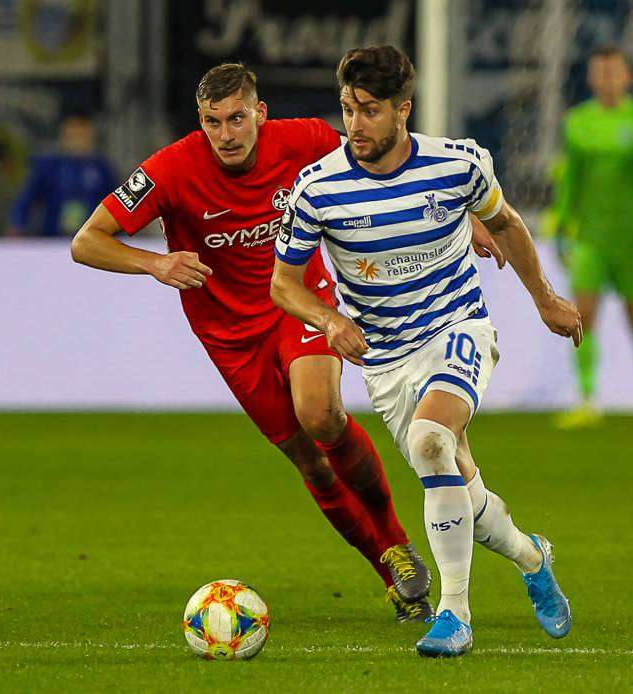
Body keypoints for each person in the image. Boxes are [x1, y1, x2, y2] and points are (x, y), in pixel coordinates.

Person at [70, 63, 505, 621]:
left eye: (236, 119)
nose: (225, 134)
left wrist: (463, 217)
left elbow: (388, 167)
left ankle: (396, 543)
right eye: (212, 122)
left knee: (321, 416)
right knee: (309, 460)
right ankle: (390, 567)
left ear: (260, 114)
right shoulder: (172, 168)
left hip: (298, 300)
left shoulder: (305, 140)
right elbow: (88, 242)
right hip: (229, 335)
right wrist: (154, 262)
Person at [272, 45, 582, 658]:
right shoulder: (317, 188)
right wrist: (329, 318)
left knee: (429, 440)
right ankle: (531, 556)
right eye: (347, 110)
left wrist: (545, 299)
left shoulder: (459, 165)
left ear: (402, 110)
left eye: (368, 110)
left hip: (457, 327)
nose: (355, 124)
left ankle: (454, 614)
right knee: (459, 488)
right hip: (385, 359)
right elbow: (283, 283)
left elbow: (511, 224)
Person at [549, 45, 633, 429]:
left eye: (614, 72)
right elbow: (569, 179)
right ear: (592, 77)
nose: (607, 79)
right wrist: (559, 226)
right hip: (591, 238)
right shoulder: (577, 123)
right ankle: (588, 399)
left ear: (628, 76)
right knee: (582, 316)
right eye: (600, 72)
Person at [9, 114, 119, 237]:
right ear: (64, 137)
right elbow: (27, 198)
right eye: (73, 136)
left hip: (91, 238)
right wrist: (18, 224)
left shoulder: (102, 168)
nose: (78, 141)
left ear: (91, 138)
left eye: (82, 136)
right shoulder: (49, 166)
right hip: (52, 238)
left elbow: (118, 203)